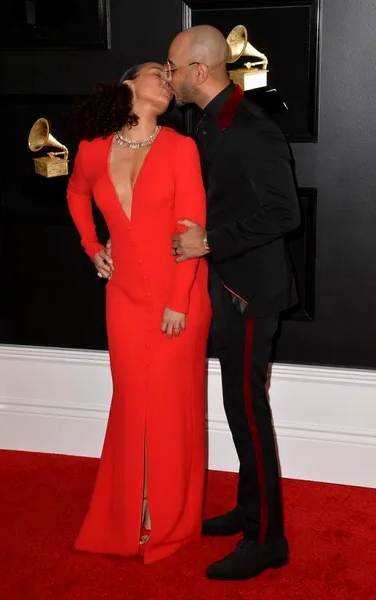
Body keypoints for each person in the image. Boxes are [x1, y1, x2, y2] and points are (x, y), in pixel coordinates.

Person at [164, 26, 300, 580]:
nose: (168, 76)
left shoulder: (251, 126)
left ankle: (267, 540)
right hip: (226, 289)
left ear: (199, 71)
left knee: (248, 414)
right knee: (239, 410)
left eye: (173, 67)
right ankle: (250, 511)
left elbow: (285, 213)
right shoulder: (206, 121)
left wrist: (211, 242)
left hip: (250, 294)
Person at [66, 62, 212, 564]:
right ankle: (130, 508)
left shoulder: (180, 148)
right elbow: (76, 193)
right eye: (157, 72)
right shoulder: (92, 149)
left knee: (169, 406)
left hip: (179, 294)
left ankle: (165, 515)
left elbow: (191, 228)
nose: (167, 79)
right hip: (124, 295)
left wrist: (178, 301)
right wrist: (91, 246)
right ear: (128, 84)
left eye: (171, 76)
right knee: (131, 401)